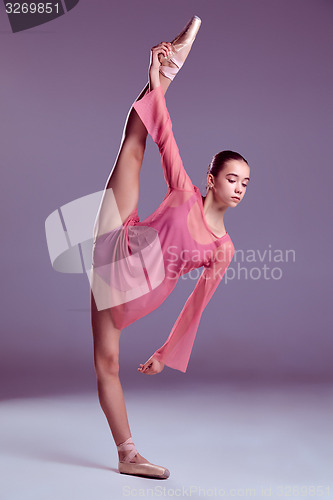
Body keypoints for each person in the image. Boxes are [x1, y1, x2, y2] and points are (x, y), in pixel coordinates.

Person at [89, 15, 250, 480]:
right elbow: (167, 137)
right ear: (211, 179)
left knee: (109, 362)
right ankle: (167, 68)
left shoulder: (224, 249)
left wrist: (164, 350)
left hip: (136, 288)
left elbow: (196, 305)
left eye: (244, 183)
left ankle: (127, 454)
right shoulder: (184, 192)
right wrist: (157, 81)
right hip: (121, 241)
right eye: (231, 178)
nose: (238, 188)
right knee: (134, 141)